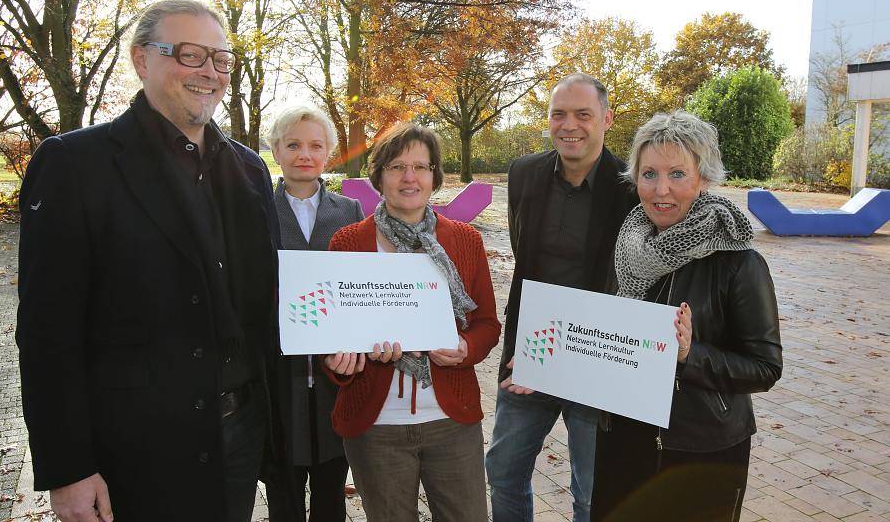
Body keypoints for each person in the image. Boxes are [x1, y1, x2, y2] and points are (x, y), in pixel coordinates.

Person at [16, 0, 288, 521]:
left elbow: (266, 302)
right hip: (136, 451)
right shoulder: (75, 164)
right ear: (142, 60)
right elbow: (47, 332)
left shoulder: (249, 169)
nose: (210, 72)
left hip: (240, 435)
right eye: (190, 54)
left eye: (221, 59)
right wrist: (68, 468)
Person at [590, 111, 783, 521]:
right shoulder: (627, 248)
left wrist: (689, 355)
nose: (661, 189)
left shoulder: (739, 263)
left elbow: (765, 368)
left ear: (704, 179)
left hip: (701, 451)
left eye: (677, 174)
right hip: (622, 439)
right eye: (649, 174)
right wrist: (554, 363)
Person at [322, 122, 501, 521]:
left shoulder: (465, 240)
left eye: (421, 167)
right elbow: (331, 337)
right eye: (397, 167)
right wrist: (339, 362)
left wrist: (466, 348)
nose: (409, 177)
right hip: (377, 426)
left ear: (434, 176)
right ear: (379, 176)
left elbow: (487, 324)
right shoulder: (347, 242)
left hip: (450, 420)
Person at [485, 73, 638, 522]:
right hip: (529, 353)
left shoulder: (631, 186)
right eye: (559, 114)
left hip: (596, 357)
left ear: (607, 119)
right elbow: (525, 257)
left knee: (591, 490)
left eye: (583, 114)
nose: (569, 125)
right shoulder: (523, 173)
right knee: (503, 472)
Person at [265, 105, 363, 521]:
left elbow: (361, 284)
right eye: (293, 145)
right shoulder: (257, 210)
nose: (304, 154)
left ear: (329, 153)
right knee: (283, 491)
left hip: (333, 377)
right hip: (278, 375)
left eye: (315, 146)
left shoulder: (350, 212)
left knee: (330, 490)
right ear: (276, 151)